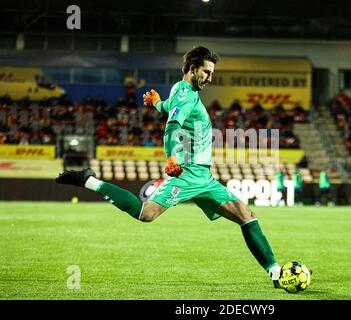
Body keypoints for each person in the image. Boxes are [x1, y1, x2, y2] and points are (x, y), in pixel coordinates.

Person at [55, 46, 283, 289]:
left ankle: (276, 272)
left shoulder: (179, 89)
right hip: (187, 173)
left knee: (247, 216)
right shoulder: (187, 95)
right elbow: (172, 127)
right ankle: (88, 180)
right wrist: (171, 158)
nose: (210, 78)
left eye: (212, 73)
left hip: (203, 177)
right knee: (146, 214)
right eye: (206, 72)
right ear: (193, 69)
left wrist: (156, 103)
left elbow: (169, 109)